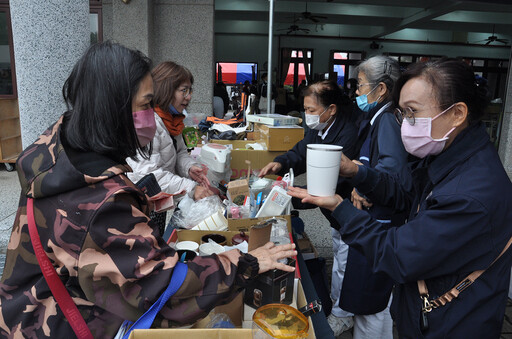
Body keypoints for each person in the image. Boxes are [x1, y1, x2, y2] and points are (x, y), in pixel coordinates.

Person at [0, 41, 296, 338]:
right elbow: (163, 290)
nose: (149, 117)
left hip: (26, 315)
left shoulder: (60, 152)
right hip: (56, 327)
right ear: (111, 108)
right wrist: (247, 263)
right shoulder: (102, 202)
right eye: (144, 105)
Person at [288, 58, 512, 338]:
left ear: (457, 114)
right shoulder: (446, 158)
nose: (405, 124)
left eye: (412, 113)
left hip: (451, 324)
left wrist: (341, 209)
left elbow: (398, 255)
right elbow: (405, 193)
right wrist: (358, 173)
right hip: (427, 313)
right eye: (403, 113)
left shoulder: (471, 192)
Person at [325, 56, 406, 339]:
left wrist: (362, 183)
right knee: (367, 299)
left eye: (360, 85)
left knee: (373, 303)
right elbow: (372, 162)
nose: (356, 93)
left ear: (381, 89)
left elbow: (391, 175)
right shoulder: (376, 118)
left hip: (380, 222)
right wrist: (360, 183)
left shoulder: (387, 120)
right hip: (373, 220)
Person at [127, 61, 213, 202]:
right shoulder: (148, 124)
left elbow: (179, 152)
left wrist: (189, 168)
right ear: (166, 89)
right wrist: (191, 188)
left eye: (190, 91)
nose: (189, 97)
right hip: (143, 200)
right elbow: (149, 175)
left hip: (161, 197)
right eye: (183, 90)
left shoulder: (172, 121)